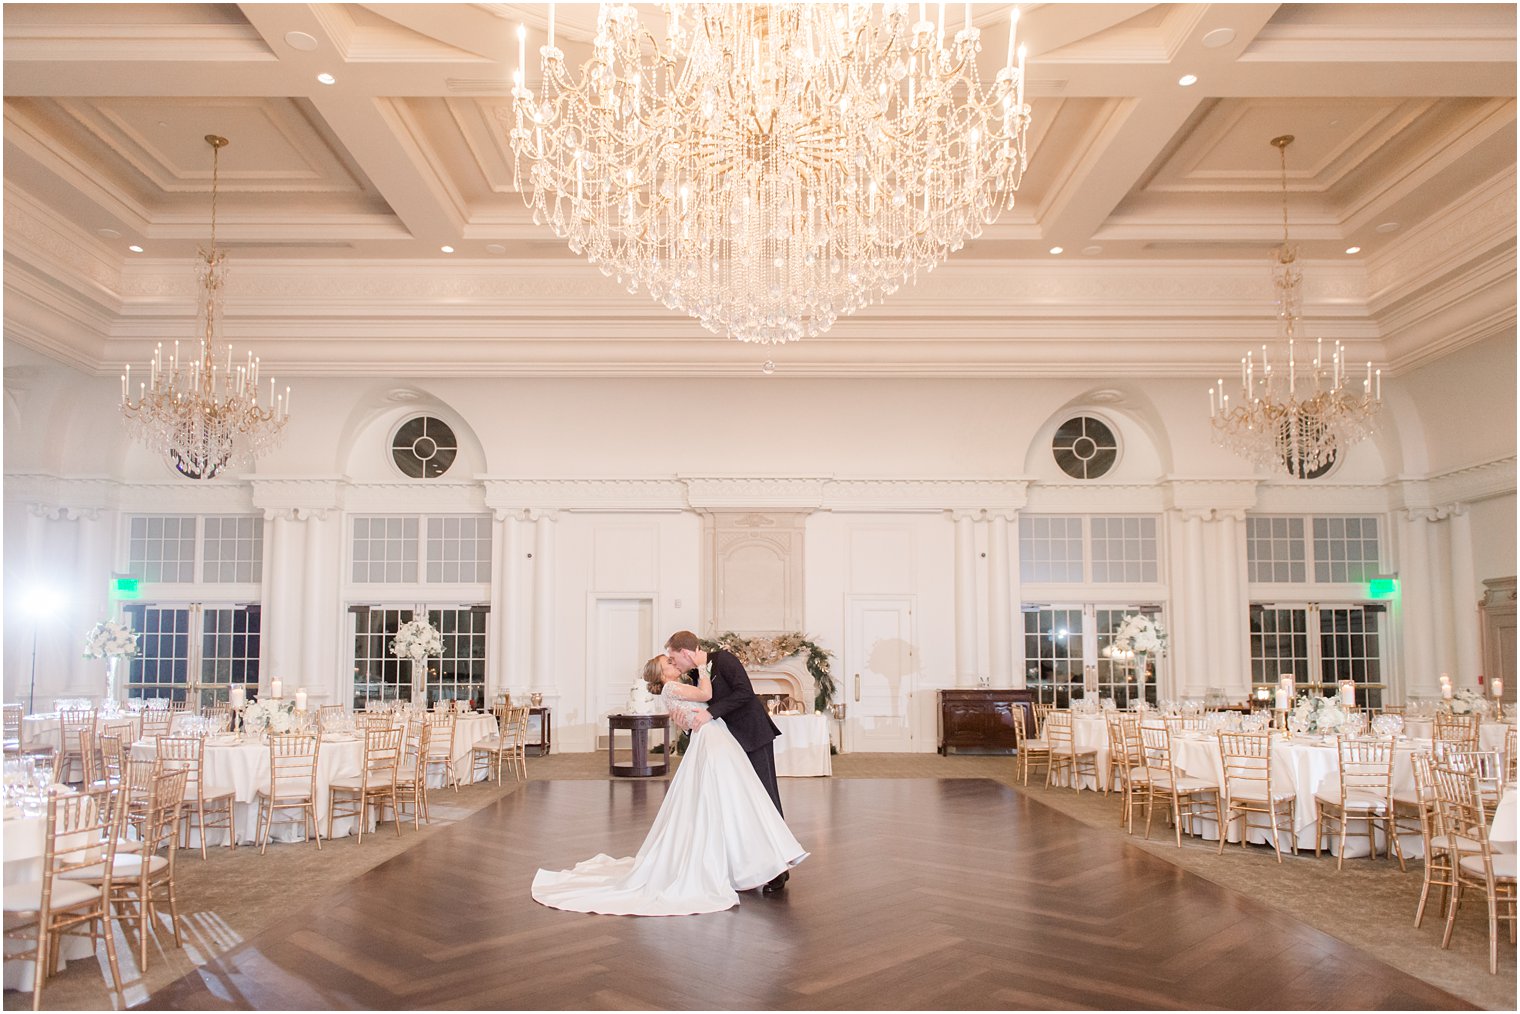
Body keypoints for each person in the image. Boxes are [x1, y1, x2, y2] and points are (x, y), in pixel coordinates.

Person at [531, 654, 807, 916]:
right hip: (712, 741)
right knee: (733, 798)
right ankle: (752, 863)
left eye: (673, 659)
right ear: (664, 673)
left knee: (733, 799)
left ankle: (747, 861)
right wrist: (703, 669)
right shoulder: (673, 687)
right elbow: (707, 697)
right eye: (669, 662)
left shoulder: (677, 686)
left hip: (717, 739)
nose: (674, 663)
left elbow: (701, 706)